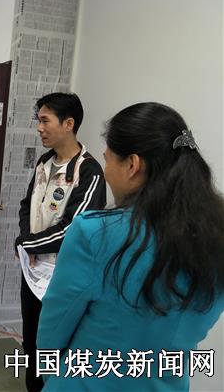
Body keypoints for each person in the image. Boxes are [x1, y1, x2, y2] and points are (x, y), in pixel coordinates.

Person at [37, 102, 224, 390]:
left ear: (133, 165)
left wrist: (55, 378)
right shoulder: (216, 238)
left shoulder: (95, 233)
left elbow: (54, 329)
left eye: (109, 160)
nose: (107, 171)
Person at [15, 92, 106, 392]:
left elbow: (73, 229)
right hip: (32, 271)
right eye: (38, 120)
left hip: (62, 277)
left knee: (54, 348)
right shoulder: (44, 162)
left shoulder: (88, 171)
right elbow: (27, 205)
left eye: (45, 121)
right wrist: (25, 241)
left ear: (68, 124)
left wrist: (29, 245)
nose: (39, 128)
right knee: (31, 344)